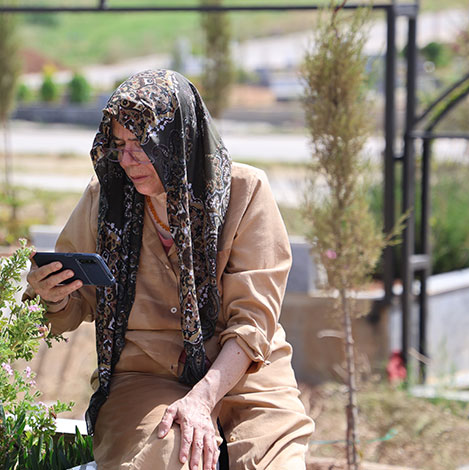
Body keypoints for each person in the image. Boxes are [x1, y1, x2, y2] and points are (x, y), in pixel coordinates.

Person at [24, 69, 314, 470]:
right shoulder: (104, 199)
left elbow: (253, 325)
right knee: (169, 459)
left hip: (246, 374)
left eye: (140, 145)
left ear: (177, 141)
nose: (125, 160)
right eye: (119, 144)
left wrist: (202, 398)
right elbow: (75, 304)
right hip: (144, 376)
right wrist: (53, 298)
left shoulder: (246, 193)